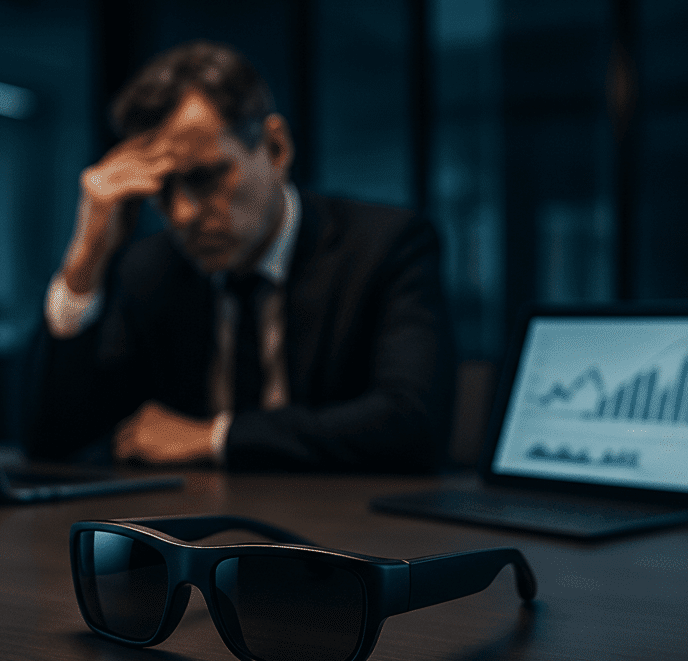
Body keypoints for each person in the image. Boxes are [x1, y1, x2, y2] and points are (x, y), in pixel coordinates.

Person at [23, 40, 454, 472]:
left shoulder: (384, 245)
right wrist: (84, 261)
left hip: (342, 530)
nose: (183, 214)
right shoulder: (151, 271)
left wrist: (215, 438)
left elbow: (412, 422)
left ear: (275, 147)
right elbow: (53, 442)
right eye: (163, 190)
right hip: (194, 528)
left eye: (206, 177)